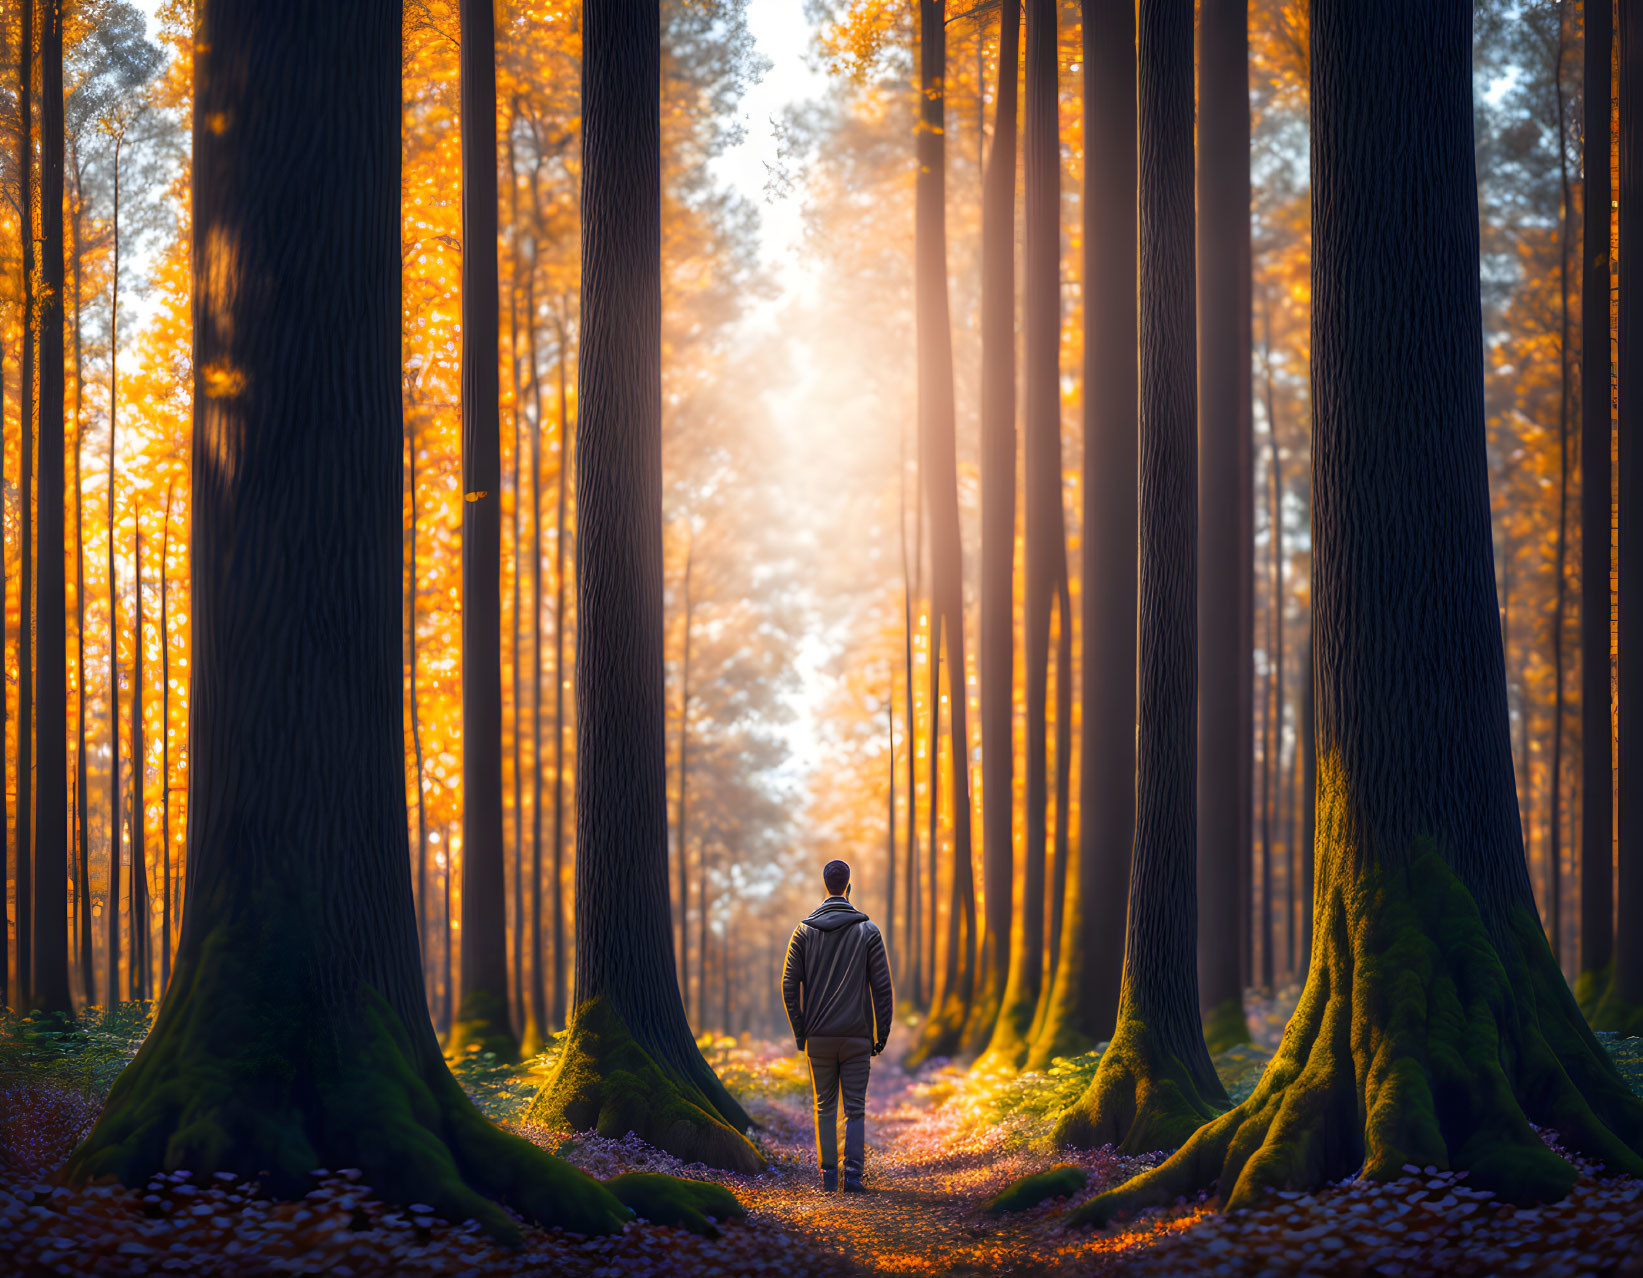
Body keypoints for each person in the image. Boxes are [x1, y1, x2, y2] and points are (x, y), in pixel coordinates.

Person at [781, 859, 894, 1193]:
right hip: (857, 1036)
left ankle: (828, 1178)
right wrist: (881, 1033)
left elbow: (789, 985)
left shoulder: (803, 932)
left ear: (825, 885)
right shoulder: (868, 931)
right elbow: (882, 987)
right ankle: (854, 1177)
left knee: (824, 1107)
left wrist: (801, 1031)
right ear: (849, 887)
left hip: (818, 1037)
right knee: (855, 1109)